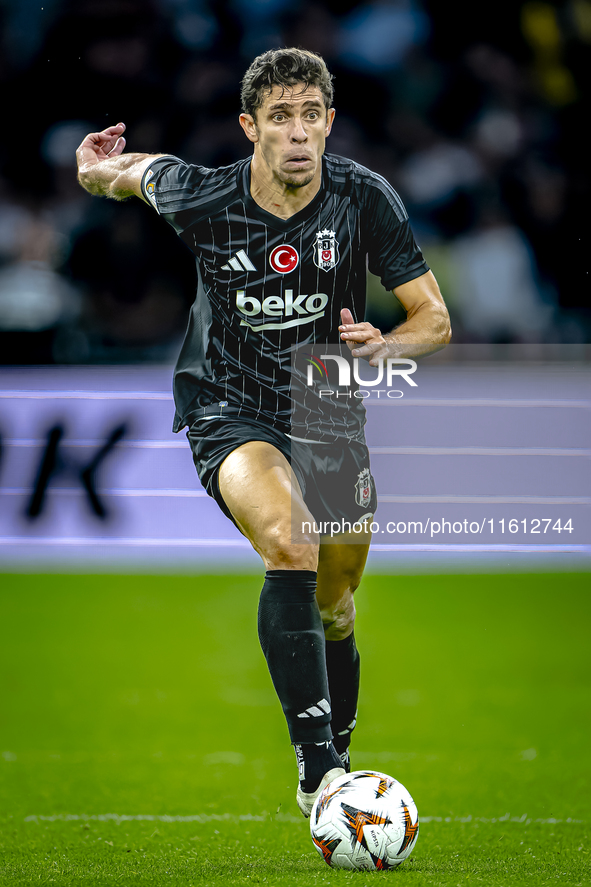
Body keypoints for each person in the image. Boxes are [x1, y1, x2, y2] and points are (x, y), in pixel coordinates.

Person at [76, 47, 450, 817]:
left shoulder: (362, 197)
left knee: (335, 600)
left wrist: (387, 346)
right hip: (226, 400)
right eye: (280, 117)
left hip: (325, 403)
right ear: (250, 127)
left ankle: (337, 759)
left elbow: (434, 320)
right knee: (291, 540)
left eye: (311, 115)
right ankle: (320, 776)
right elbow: (129, 173)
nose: (298, 133)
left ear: (329, 122)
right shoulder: (205, 196)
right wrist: (91, 169)